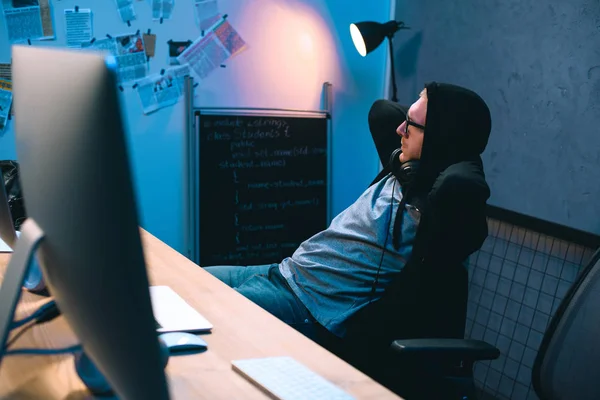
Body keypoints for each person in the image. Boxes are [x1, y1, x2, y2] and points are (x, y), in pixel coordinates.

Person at [205, 82, 492, 345]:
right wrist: (423, 108)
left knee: (197, 309)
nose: (399, 130)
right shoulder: (405, 169)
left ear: (439, 139)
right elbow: (382, 112)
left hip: (308, 307)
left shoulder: (431, 206)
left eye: (411, 125)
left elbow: (462, 185)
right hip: (284, 273)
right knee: (177, 280)